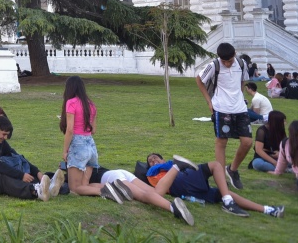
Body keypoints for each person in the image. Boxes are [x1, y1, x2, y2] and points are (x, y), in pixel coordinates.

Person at [146, 153, 284, 218]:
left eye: (155, 158)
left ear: (163, 159)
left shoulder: (173, 164)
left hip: (189, 185)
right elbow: (159, 190)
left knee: (224, 193)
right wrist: (173, 167)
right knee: (215, 165)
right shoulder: (153, 173)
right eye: (150, 161)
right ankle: (228, 203)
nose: (153, 162)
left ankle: (268, 210)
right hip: (181, 183)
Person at [0, 115, 63, 201]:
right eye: (4, 134)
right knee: (1, 177)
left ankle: (49, 186)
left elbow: (17, 156)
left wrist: (37, 172)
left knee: (16, 167)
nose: (5, 138)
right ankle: (35, 191)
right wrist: (20, 175)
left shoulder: (0, 140)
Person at [196, 42, 252, 190]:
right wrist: (209, 101)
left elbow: (242, 80)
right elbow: (199, 79)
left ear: (234, 56)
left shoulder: (241, 63)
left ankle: (232, 170)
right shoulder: (214, 65)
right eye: (224, 61)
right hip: (221, 108)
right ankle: (220, 178)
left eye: (229, 61)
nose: (227, 64)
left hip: (240, 108)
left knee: (247, 142)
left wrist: (240, 94)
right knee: (221, 142)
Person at [86, 166, 195, 225]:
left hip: (112, 177)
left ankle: (173, 207)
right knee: (156, 193)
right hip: (117, 173)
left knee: (142, 196)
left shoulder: (79, 164)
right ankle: (176, 166)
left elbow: (83, 185)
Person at [59, 75, 103, 196]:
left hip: (78, 145)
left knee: (74, 188)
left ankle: (105, 191)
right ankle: (113, 187)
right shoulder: (91, 105)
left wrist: (65, 151)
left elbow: (70, 129)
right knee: (84, 186)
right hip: (91, 145)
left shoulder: (71, 103)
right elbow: (93, 130)